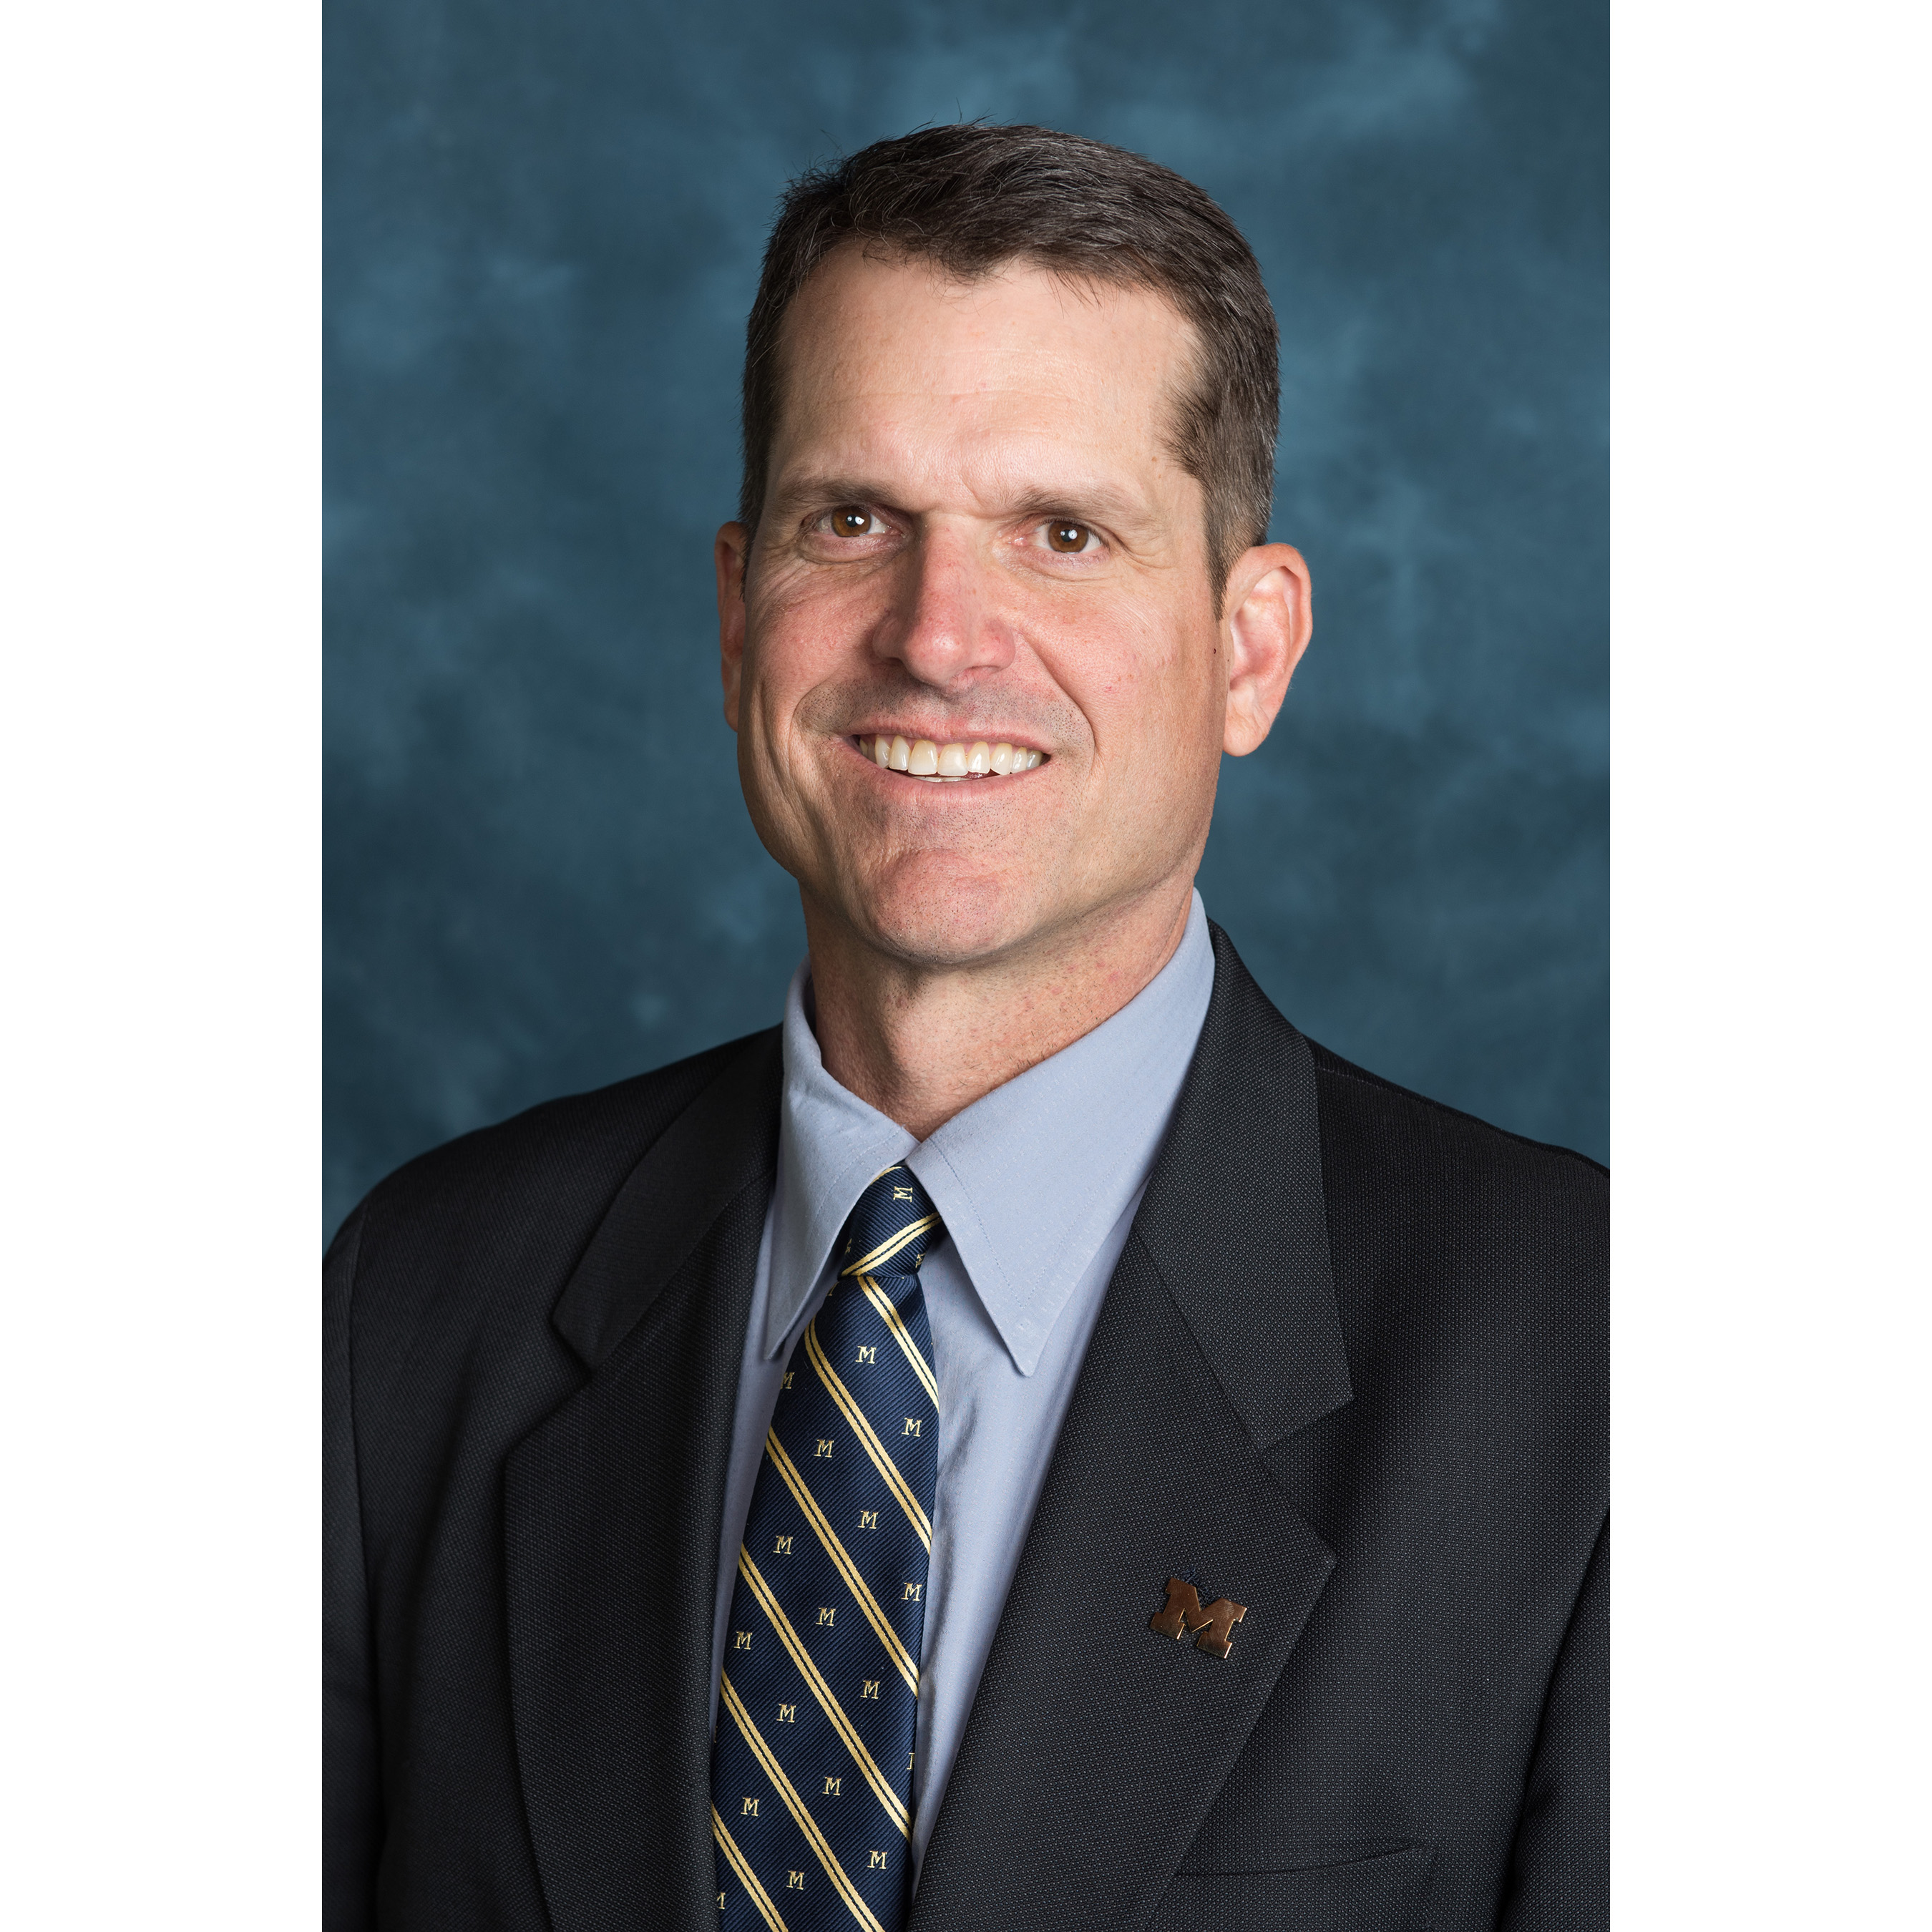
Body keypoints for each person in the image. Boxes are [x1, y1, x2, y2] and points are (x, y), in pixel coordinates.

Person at [324, 124, 1606, 1932]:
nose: (938, 638)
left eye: (1063, 534)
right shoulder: (417, 1305)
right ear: (736, 616)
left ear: (1249, 649)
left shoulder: (1591, 1362)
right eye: (853, 521)